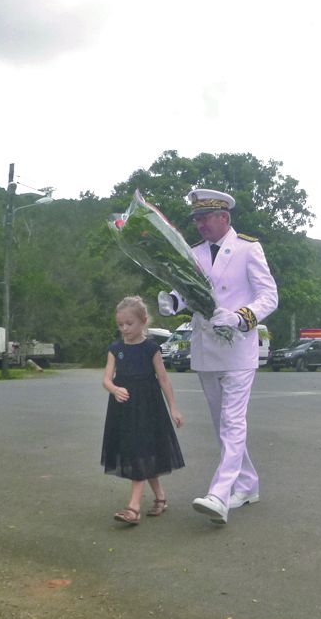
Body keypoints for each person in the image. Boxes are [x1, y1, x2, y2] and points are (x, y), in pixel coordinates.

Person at [158, 188, 278, 525]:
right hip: (207, 348)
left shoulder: (248, 248)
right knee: (221, 425)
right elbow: (189, 293)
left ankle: (219, 495)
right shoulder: (194, 253)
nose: (199, 224)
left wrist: (242, 317)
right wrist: (173, 301)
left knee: (232, 422)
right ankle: (247, 484)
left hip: (238, 348)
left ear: (223, 217)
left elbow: (269, 296)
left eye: (204, 217)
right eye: (195, 218)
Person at [102, 296, 185, 525]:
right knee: (139, 452)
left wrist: (174, 409)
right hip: (124, 409)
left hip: (149, 408)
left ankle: (133, 508)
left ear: (143, 321)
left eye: (129, 323)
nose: (124, 329)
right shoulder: (115, 349)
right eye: (120, 325)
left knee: (139, 451)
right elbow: (106, 380)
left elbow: (164, 379)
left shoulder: (151, 349)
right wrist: (115, 389)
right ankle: (160, 497)